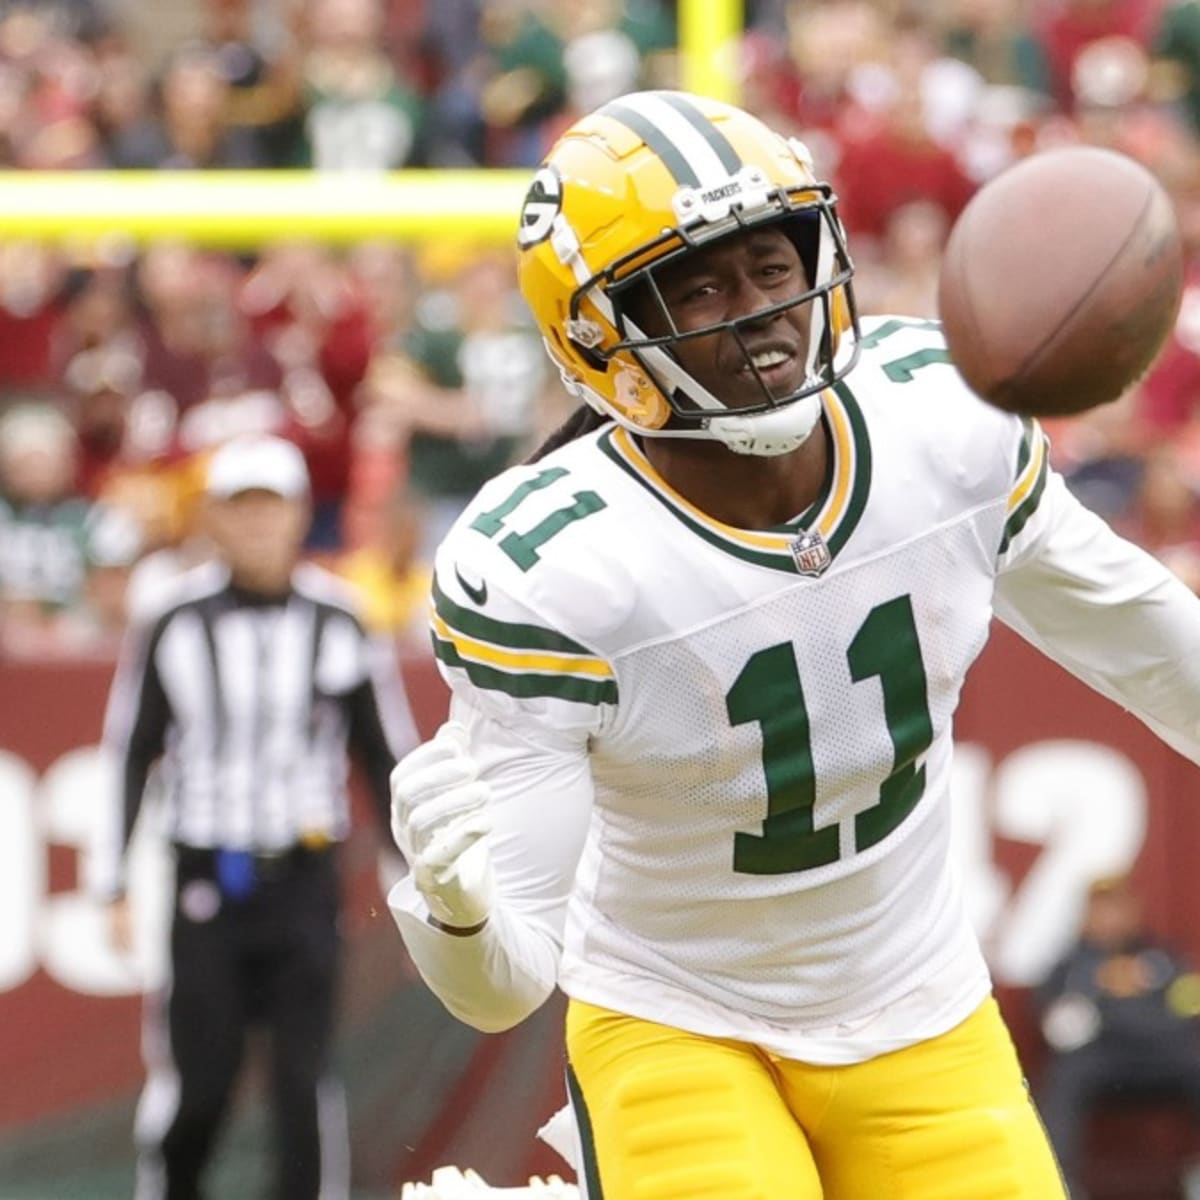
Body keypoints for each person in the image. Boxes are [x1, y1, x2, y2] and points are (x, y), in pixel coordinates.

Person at [387, 90, 1200, 1199]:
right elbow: (504, 986)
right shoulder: (558, 565)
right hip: (679, 1016)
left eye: (773, 266)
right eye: (702, 284)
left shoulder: (941, 424)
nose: (762, 309)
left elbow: (1158, 650)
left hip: (917, 995)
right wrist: (453, 909)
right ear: (599, 335)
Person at [98, 433, 417, 1200]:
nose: (256, 526)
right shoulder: (174, 619)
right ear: (212, 518)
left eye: (269, 507)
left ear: (301, 514)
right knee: (198, 1082)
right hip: (207, 877)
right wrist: (111, 883)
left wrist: (415, 880)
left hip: (304, 880)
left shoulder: (341, 619)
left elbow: (385, 754)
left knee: (303, 1085)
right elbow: (130, 749)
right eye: (239, 509)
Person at [1036, 876, 1200, 1199]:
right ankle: (1060, 1183)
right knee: (1063, 1077)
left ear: (1132, 912)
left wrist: (1141, 994)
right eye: (1100, 909)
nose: (1109, 918)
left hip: (1161, 1058)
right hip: (1101, 1062)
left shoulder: (1162, 960)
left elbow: (1191, 1007)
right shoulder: (1070, 968)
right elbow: (1059, 1030)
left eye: (1116, 908)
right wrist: (1099, 989)